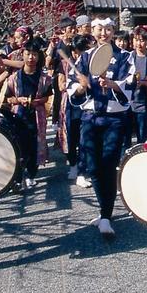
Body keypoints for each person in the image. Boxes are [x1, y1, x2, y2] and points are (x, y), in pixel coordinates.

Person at [69, 17, 134, 237]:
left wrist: (114, 84)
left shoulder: (125, 56)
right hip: (90, 117)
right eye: (99, 29)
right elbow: (72, 83)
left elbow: (131, 82)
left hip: (114, 119)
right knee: (93, 167)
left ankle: (105, 215)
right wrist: (80, 87)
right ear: (93, 32)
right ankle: (104, 211)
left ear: (113, 32)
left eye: (107, 29)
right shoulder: (85, 57)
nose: (103, 33)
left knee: (108, 164)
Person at [4, 39, 53, 188]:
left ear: (38, 57)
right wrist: (18, 100)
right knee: (18, 145)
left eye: (34, 54)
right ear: (23, 55)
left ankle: (31, 174)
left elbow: (47, 96)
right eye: (28, 54)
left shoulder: (45, 78)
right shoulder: (14, 78)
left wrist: (37, 101)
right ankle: (17, 177)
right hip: (19, 115)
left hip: (37, 114)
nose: (31, 57)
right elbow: (8, 98)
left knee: (34, 145)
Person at [60, 34, 93, 184]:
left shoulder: (90, 62)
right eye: (75, 50)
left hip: (88, 105)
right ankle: (73, 164)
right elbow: (62, 85)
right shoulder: (66, 64)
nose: (77, 54)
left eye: (81, 50)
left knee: (85, 139)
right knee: (72, 136)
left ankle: (82, 169)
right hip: (71, 103)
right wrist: (79, 85)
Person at [129, 28, 147, 142]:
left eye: (142, 40)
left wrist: (143, 83)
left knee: (142, 135)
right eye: (136, 40)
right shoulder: (128, 57)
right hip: (128, 101)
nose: (139, 43)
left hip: (143, 102)